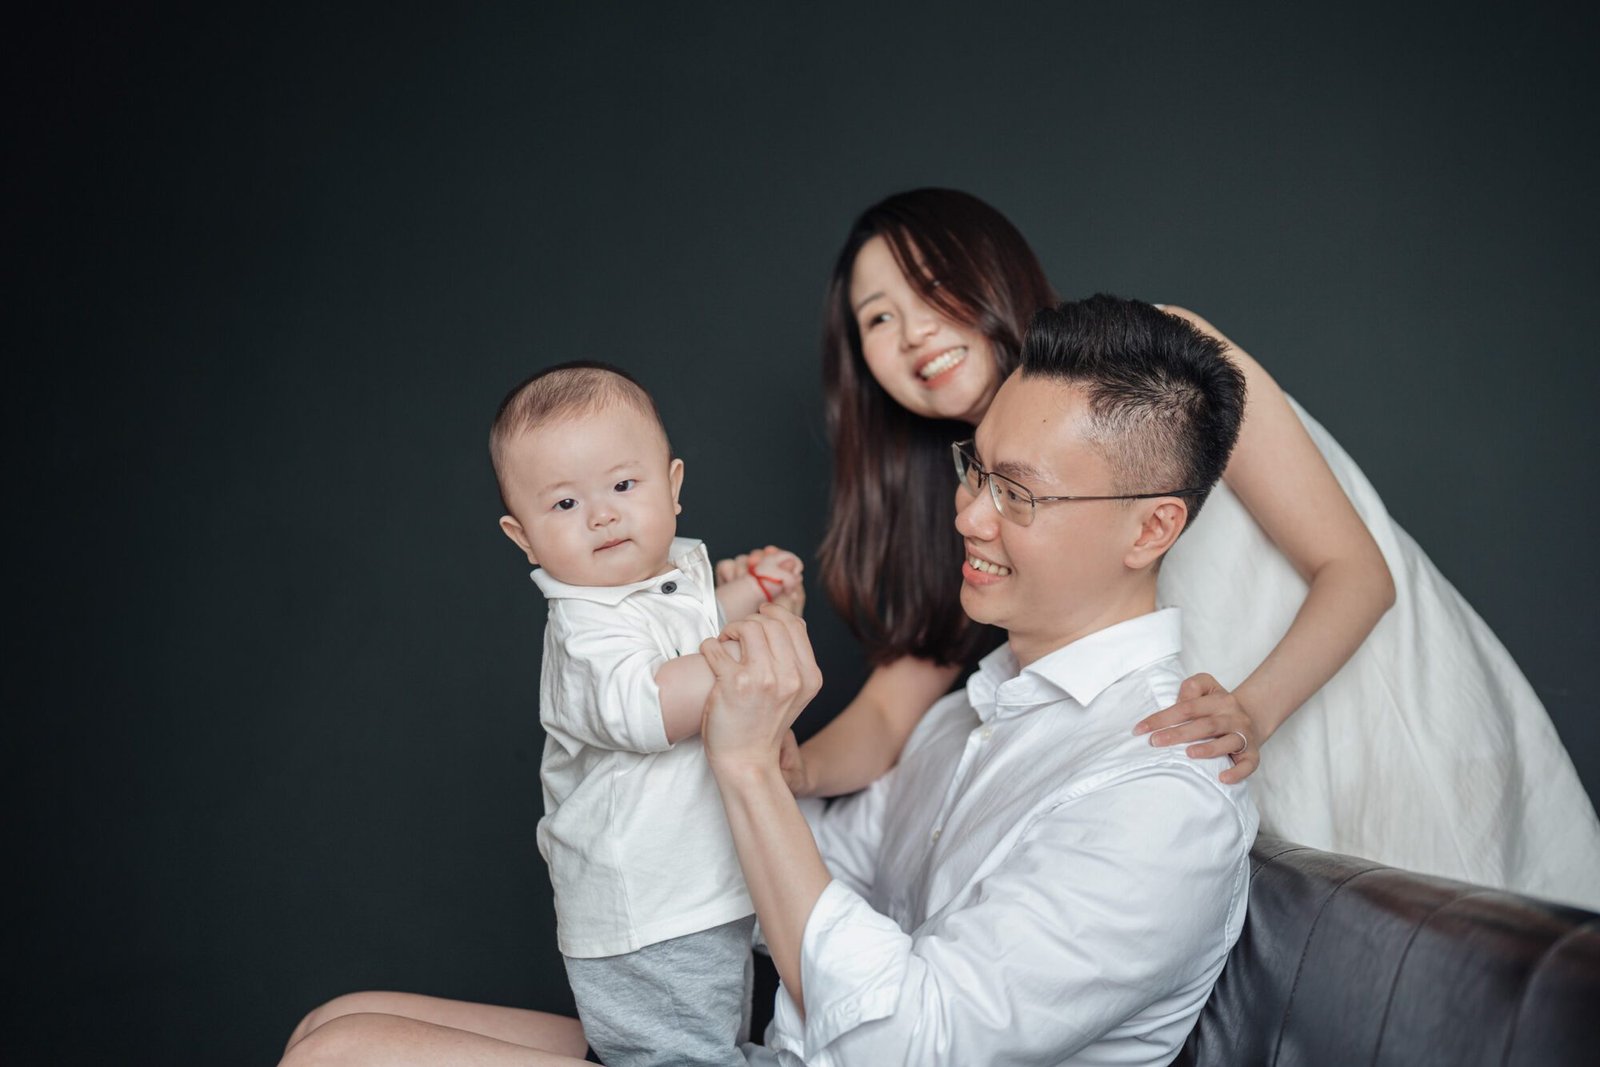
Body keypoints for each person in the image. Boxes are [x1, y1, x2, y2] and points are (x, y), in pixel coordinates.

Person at [752, 187, 1600, 908]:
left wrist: (1254, 710)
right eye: (878, 317)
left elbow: (1358, 572)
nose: (912, 333)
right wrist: (786, 766)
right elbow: (888, 715)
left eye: (933, 287)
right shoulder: (957, 494)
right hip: (1210, 740)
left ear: (991, 270)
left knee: (1477, 955)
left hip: (1349, 690)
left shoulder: (1166, 371)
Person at [700, 295, 1258, 1065]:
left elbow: (902, 1047)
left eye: (1017, 494)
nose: (967, 517)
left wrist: (749, 769)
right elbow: (818, 874)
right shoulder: (967, 713)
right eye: (976, 470)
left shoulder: (1165, 797)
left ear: (1152, 528)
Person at [280, 362, 803, 1067]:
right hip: (644, 912)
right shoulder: (584, 628)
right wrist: (749, 649)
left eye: (624, 485)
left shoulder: (670, 580)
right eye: (564, 503)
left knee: (710, 1035)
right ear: (522, 536)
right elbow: (649, 704)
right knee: (679, 1053)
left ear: (673, 486)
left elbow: (697, 627)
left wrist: (753, 592)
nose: (602, 514)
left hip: (699, 890)